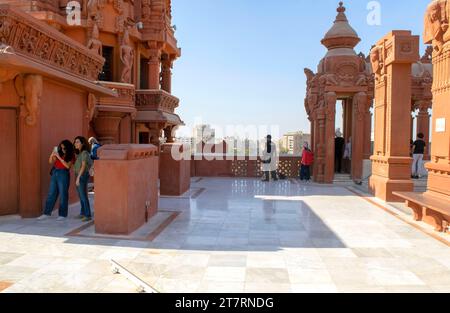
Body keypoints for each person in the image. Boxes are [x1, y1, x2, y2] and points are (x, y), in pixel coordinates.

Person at [38, 140, 75, 221]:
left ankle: (62, 215)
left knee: (63, 194)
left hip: (64, 174)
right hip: (55, 172)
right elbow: (50, 161)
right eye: (60, 147)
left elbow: (67, 166)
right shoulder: (59, 152)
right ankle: (46, 213)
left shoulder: (71, 155)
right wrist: (52, 154)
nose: (62, 149)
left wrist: (58, 157)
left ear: (68, 147)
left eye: (64, 148)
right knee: (51, 193)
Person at [74, 136, 93, 221]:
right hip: (78, 175)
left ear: (82, 143)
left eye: (77, 142)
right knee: (80, 195)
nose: (75, 143)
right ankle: (82, 213)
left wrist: (78, 177)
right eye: (75, 142)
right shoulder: (80, 153)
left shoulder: (84, 153)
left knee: (83, 195)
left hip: (82, 175)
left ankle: (88, 215)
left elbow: (83, 166)